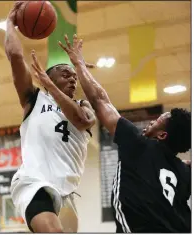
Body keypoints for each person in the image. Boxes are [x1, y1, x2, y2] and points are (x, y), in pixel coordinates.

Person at [59, 34, 191, 233]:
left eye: (156, 121)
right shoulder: (184, 172)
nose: (150, 123)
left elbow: (99, 100)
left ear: (162, 135)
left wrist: (79, 63)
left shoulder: (139, 144)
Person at [5, 3, 96, 233]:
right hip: (34, 183)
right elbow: (15, 56)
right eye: (65, 74)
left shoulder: (82, 105)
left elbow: (83, 122)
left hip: (67, 193)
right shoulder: (34, 100)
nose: (73, 79)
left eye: (75, 76)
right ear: (50, 76)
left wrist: (51, 87)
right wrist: (10, 23)